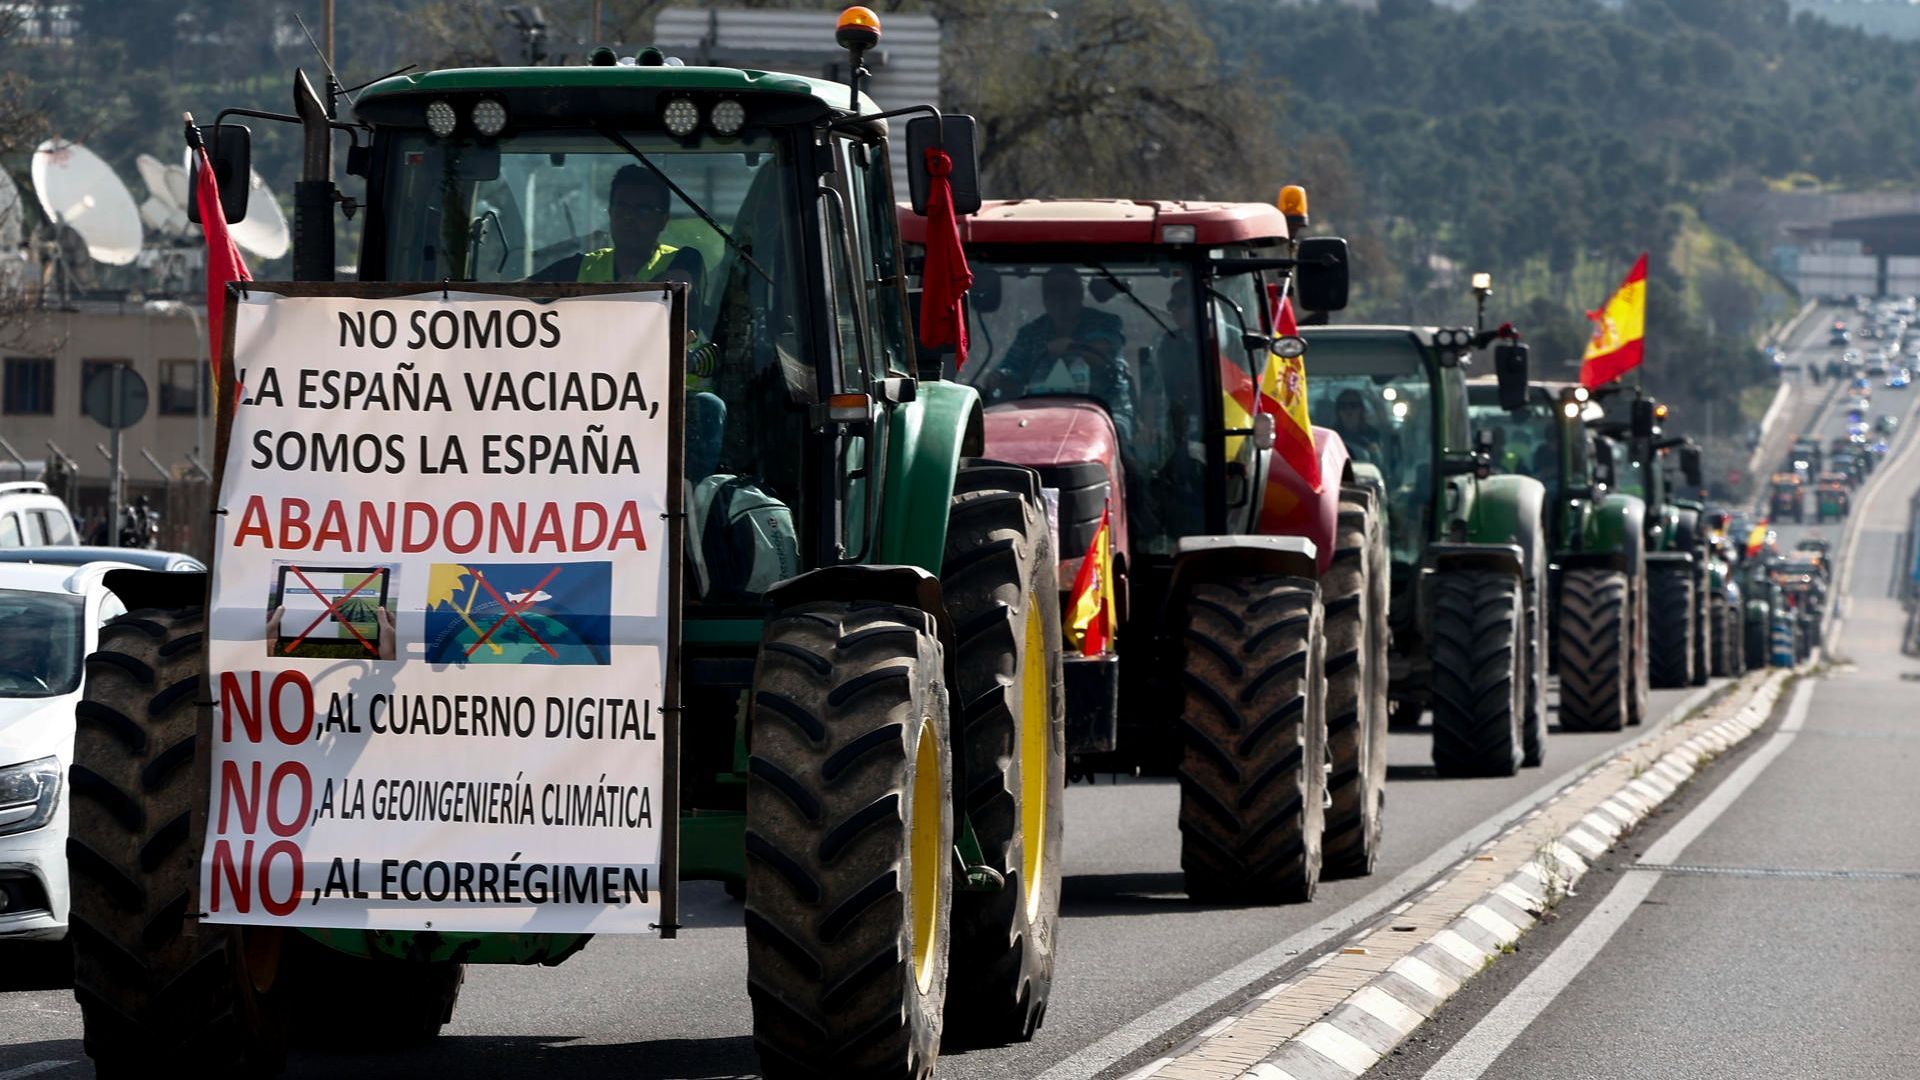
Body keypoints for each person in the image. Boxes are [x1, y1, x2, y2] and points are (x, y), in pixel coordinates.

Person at [986, 265, 1133, 436]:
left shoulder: (1105, 323)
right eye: (1052, 292)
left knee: (1117, 433)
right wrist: (998, 376)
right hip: (1038, 412)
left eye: (1067, 291)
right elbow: (1012, 367)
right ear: (1044, 298)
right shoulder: (1030, 334)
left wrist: (1073, 348)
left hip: (1105, 409)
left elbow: (1104, 352)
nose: (1060, 299)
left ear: (1080, 294)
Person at [533, 165, 679, 282]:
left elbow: (683, 281)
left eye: (643, 210)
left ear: (663, 220)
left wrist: (643, 292)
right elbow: (523, 291)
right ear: (610, 212)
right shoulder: (581, 267)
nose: (629, 217)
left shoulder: (680, 260)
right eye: (622, 207)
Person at [1331, 388, 1387, 466]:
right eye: (1343, 406)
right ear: (1338, 411)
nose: (1348, 410)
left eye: (1353, 405)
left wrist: (1374, 452)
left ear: (1361, 409)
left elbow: (1381, 465)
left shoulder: (1373, 434)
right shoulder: (1331, 436)